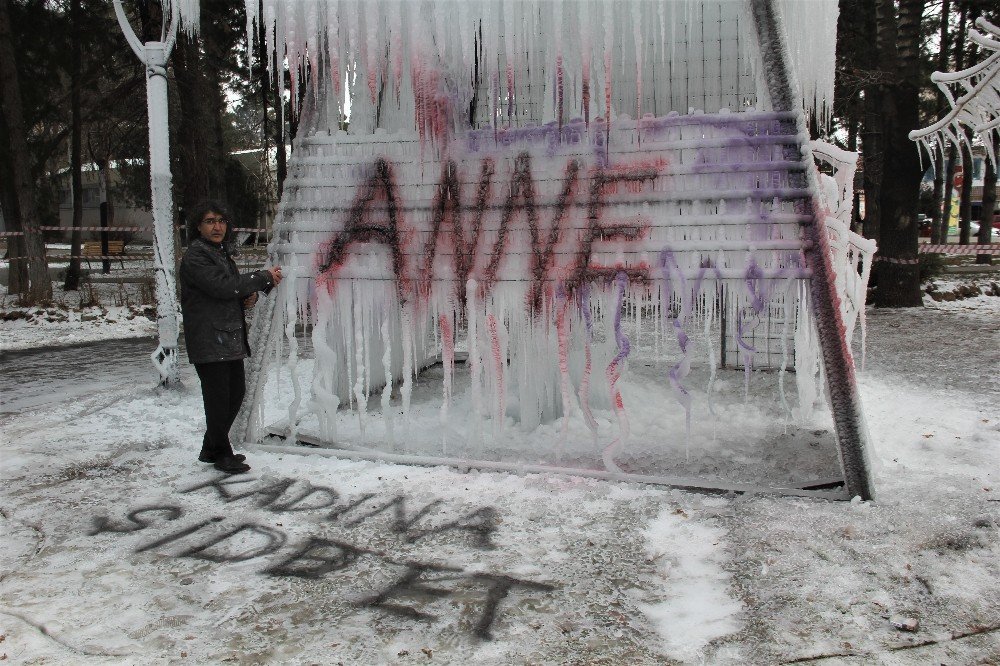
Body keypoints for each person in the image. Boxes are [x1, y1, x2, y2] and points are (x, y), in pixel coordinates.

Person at [180, 201, 282, 474]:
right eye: (210, 221)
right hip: (209, 338)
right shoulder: (197, 256)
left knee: (235, 393)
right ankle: (221, 453)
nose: (217, 226)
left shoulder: (220, 253)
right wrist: (262, 277)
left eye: (222, 221)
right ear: (198, 226)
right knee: (218, 399)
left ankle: (210, 447)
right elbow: (222, 287)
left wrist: (245, 299)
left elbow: (225, 293)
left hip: (227, 337)